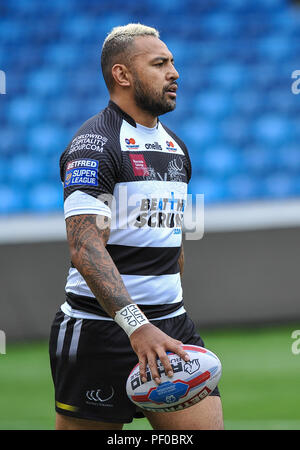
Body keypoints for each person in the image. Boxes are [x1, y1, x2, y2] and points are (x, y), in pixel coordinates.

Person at [49, 23, 224, 430]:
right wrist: (136, 324)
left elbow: (174, 238)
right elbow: (85, 247)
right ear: (122, 75)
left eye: (173, 63)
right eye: (160, 63)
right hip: (100, 332)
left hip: (171, 326)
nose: (174, 72)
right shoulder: (95, 143)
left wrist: (164, 311)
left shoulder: (176, 147)